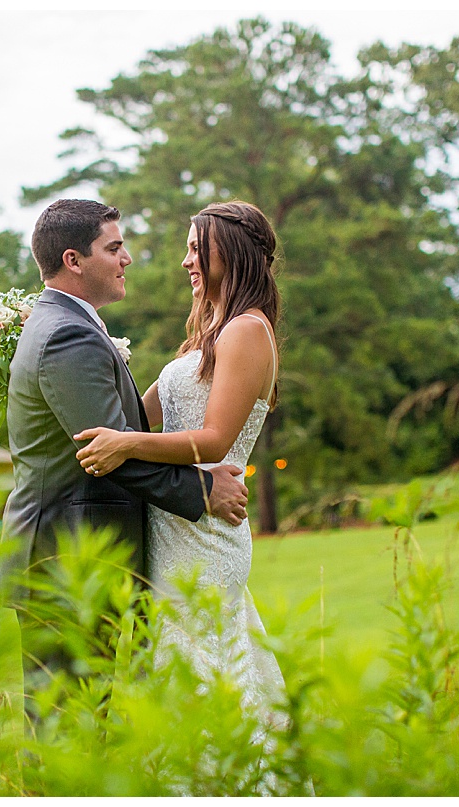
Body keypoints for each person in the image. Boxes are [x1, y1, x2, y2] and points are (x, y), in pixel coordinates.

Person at [0, 198, 250, 732]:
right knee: (66, 732)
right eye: (113, 248)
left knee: (74, 725)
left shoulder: (66, 325)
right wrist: (203, 489)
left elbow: (123, 439)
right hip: (69, 561)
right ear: (74, 260)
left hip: (71, 556)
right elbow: (108, 455)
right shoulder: (68, 336)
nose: (127, 259)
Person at [72, 200, 287, 724]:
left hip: (205, 534)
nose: (186, 261)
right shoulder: (211, 335)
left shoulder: (247, 331)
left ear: (229, 253)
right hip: (173, 528)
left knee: (198, 674)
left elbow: (213, 441)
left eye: (196, 249)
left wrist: (125, 445)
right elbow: (137, 416)